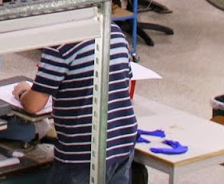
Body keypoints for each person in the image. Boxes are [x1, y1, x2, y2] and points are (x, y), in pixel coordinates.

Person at [13, 26, 139, 184]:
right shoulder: (115, 32)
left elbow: (34, 105)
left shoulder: (61, 44)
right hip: (122, 142)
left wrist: (23, 93)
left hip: (83, 152)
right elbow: (124, 85)